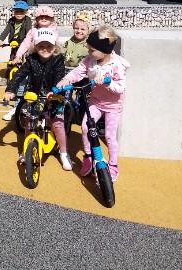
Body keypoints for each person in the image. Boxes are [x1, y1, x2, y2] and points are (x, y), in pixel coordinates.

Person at [56, 26, 130, 182]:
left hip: (113, 106)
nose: (88, 52)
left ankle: (113, 164)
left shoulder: (116, 65)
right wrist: (66, 80)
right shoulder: (90, 60)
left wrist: (107, 83)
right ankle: (88, 157)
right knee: (85, 127)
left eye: (92, 50)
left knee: (109, 136)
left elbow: (121, 88)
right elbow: (78, 72)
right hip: (96, 101)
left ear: (104, 50)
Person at [4, 28, 72, 171]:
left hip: (54, 96)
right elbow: (19, 75)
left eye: (49, 46)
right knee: (30, 123)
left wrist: (56, 90)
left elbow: (59, 76)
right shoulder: (31, 60)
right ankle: (27, 149)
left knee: (58, 124)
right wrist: (10, 89)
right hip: (35, 96)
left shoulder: (58, 60)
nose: (45, 49)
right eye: (41, 46)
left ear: (55, 46)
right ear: (35, 46)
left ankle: (64, 152)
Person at [3, 5, 59, 121]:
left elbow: (55, 48)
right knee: (22, 84)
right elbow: (25, 43)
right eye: (41, 16)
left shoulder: (53, 31)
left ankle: (47, 112)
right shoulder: (33, 31)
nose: (44, 19)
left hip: (46, 65)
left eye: (47, 17)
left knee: (46, 88)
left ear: (52, 19)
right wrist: (18, 55)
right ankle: (18, 107)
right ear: (36, 19)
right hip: (32, 62)